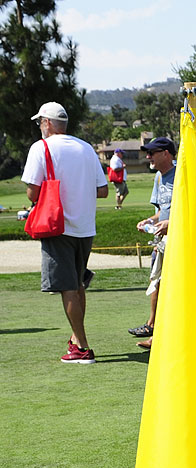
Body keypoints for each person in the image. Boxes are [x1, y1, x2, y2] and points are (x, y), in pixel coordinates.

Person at [21, 101, 108, 364]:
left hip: (57, 225)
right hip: (85, 227)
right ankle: (75, 340)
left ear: (47, 123)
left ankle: (82, 347)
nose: (39, 127)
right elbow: (102, 190)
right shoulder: (86, 148)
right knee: (79, 284)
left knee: (68, 288)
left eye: (39, 123)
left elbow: (32, 192)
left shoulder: (41, 147)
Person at [130, 136, 176, 347]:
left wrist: (171, 222)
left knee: (169, 285)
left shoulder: (180, 175)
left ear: (166, 154)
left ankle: (160, 333)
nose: (148, 157)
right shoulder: (158, 177)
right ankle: (153, 325)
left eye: (152, 153)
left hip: (178, 239)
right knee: (157, 281)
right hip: (161, 240)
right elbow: (160, 211)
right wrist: (149, 221)